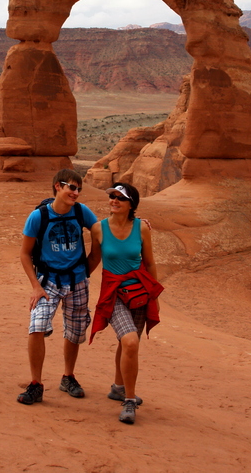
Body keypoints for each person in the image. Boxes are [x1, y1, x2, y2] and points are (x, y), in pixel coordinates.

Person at [17, 169, 99, 405]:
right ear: (57, 187)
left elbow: (102, 233)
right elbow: (24, 254)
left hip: (77, 282)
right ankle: (35, 385)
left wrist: (85, 273)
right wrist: (35, 287)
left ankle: (68, 377)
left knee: (74, 332)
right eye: (71, 187)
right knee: (37, 327)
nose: (76, 193)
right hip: (48, 282)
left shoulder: (82, 212)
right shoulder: (39, 216)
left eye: (79, 189)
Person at [89, 182, 163, 424]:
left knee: (128, 343)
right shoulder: (98, 229)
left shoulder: (141, 228)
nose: (114, 201)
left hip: (139, 292)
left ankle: (118, 387)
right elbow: (93, 260)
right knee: (130, 341)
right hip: (114, 294)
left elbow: (150, 263)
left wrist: (155, 296)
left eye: (120, 198)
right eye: (112, 196)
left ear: (131, 204)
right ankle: (129, 401)